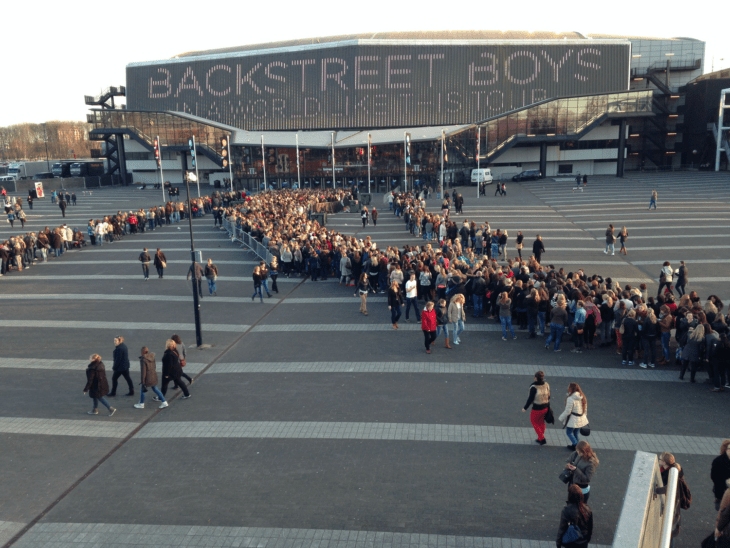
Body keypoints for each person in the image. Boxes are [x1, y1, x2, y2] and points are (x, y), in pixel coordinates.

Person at [659, 452, 684, 547]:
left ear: (665, 462)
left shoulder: (670, 474)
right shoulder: (669, 470)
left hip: (672, 505)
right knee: (669, 530)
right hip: (671, 503)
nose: (659, 460)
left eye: (660, 459)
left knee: (669, 531)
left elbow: (667, 488)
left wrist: (655, 489)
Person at [523, 370, 550, 445]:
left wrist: (525, 407)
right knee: (541, 422)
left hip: (537, 408)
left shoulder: (534, 387)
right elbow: (549, 395)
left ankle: (541, 438)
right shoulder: (547, 385)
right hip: (545, 407)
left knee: (534, 422)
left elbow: (530, 399)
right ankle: (540, 436)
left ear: (535, 378)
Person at [559, 383, 588, 450]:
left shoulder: (570, 399)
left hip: (573, 419)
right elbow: (585, 407)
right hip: (581, 418)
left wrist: (561, 418)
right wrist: (584, 416)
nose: (567, 388)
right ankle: (576, 446)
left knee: (569, 432)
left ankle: (576, 445)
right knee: (576, 433)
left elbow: (568, 411)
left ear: (571, 389)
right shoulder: (582, 396)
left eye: (568, 387)